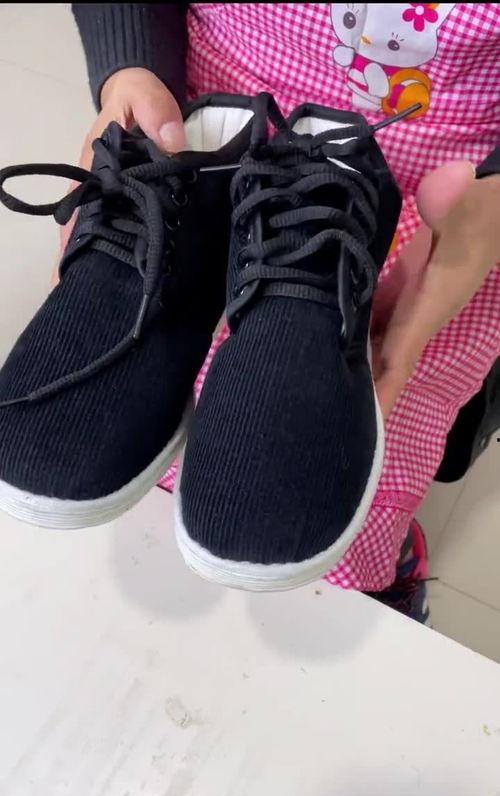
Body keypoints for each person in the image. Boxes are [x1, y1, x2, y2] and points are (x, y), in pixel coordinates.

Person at [70, 3, 500, 622]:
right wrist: (129, 69)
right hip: (210, 137)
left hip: (451, 187)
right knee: (150, 418)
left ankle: (392, 564)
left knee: (359, 447)